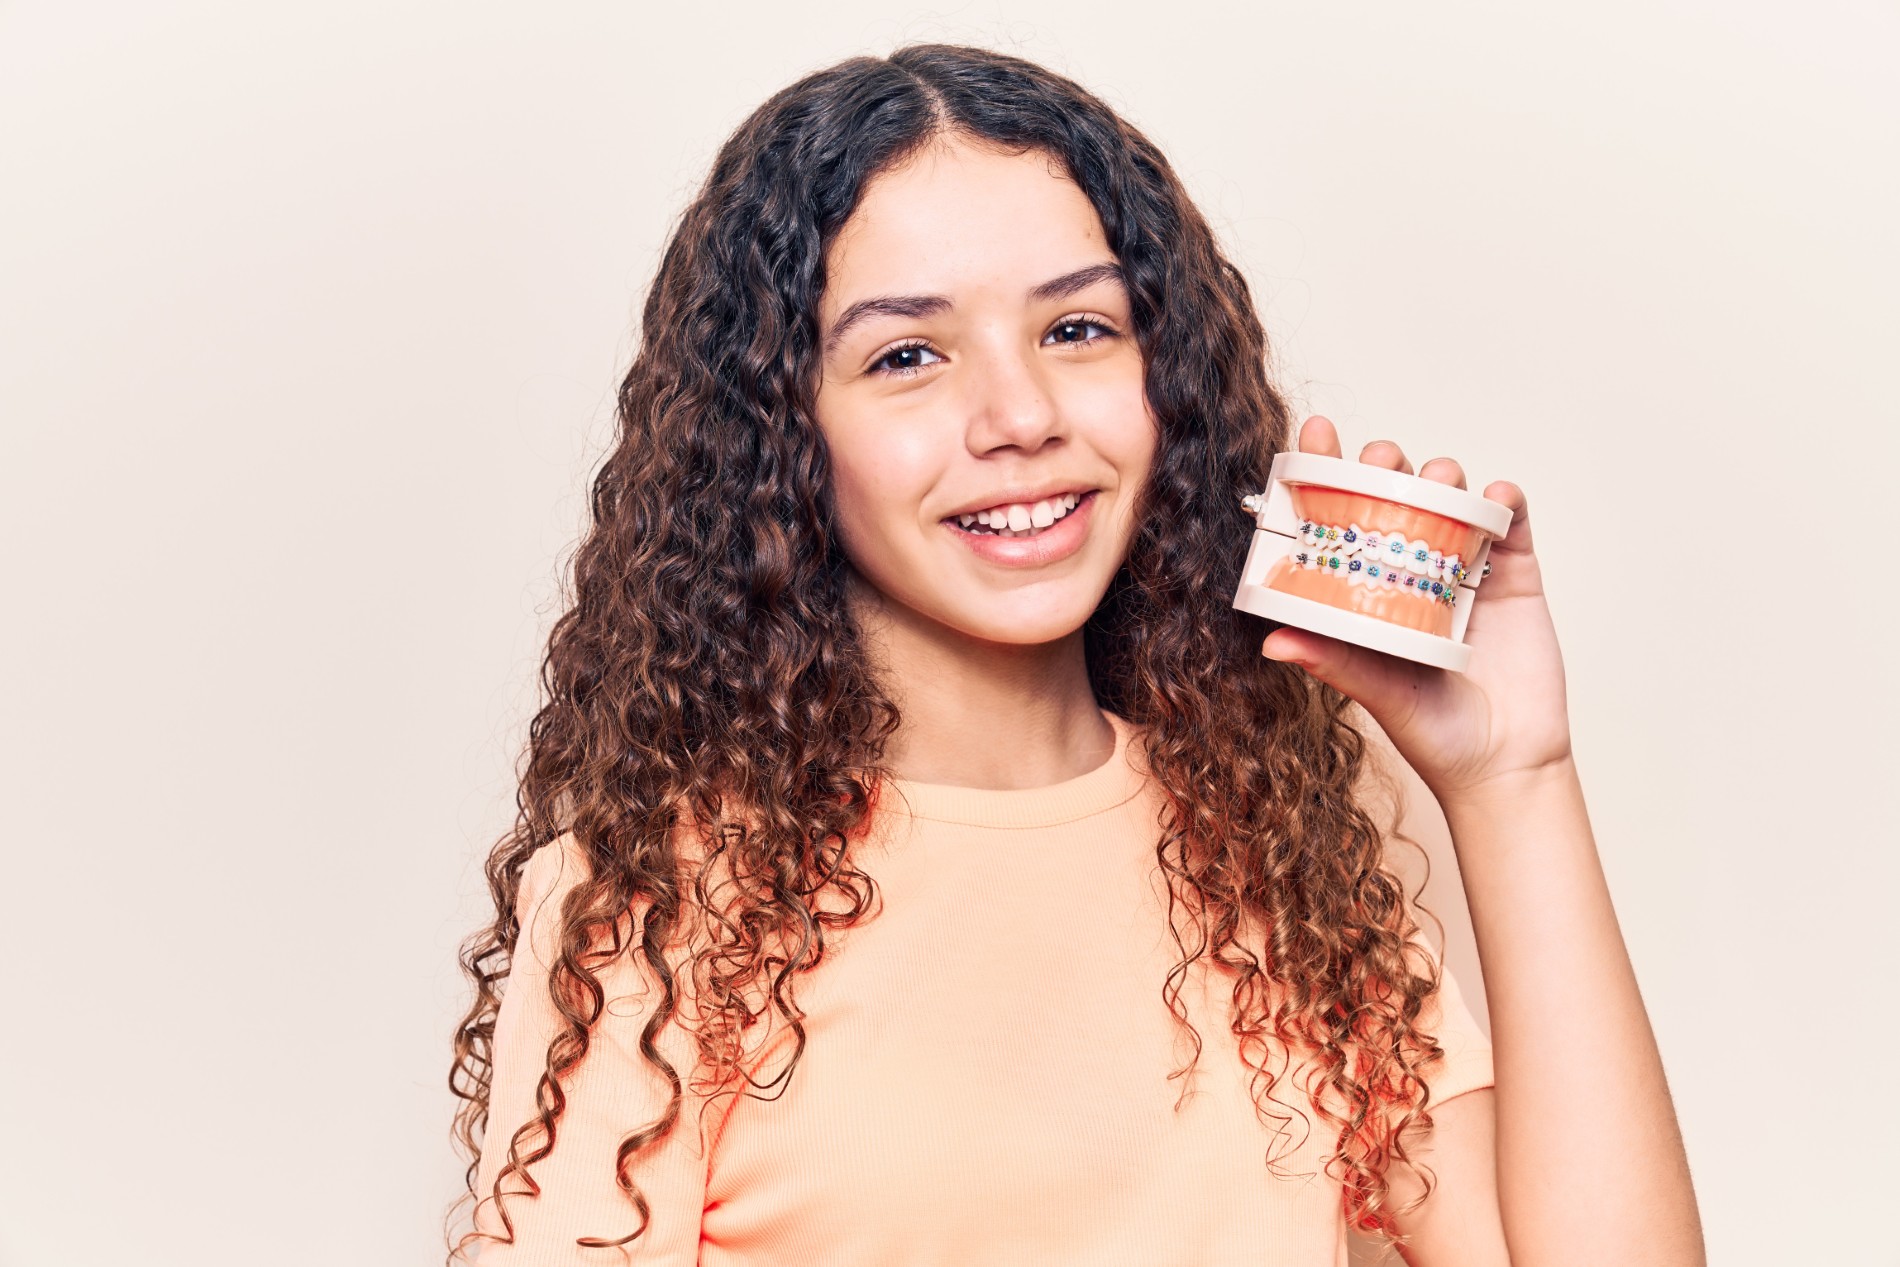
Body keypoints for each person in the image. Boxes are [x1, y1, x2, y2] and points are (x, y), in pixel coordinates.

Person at [445, 43, 1704, 1267]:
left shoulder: (1283, 844)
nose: (1022, 417)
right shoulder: (659, 902)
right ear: (783, 438)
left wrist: (1514, 782)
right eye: (905, 356)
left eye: (1079, 330)